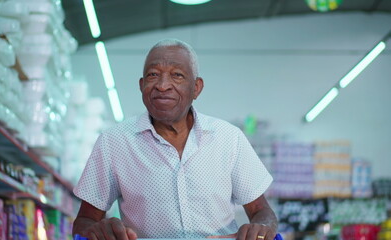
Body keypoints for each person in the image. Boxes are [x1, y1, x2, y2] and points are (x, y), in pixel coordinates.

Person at [73, 38, 278, 240]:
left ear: (196, 88)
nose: (163, 85)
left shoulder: (228, 139)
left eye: (177, 75)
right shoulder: (114, 143)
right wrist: (99, 231)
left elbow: (262, 212)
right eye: (153, 75)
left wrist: (261, 228)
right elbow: (84, 222)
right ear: (142, 85)